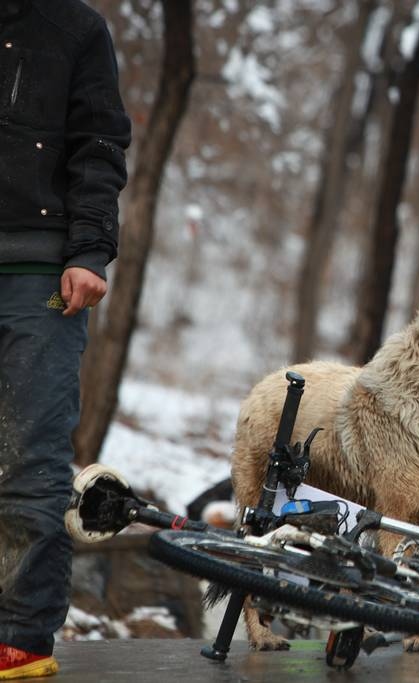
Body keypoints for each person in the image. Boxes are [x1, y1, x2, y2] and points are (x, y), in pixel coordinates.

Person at [0, 0, 131, 678]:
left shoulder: (77, 29)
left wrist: (88, 249)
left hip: (41, 273)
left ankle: (20, 634)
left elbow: (100, 145)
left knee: (29, 457)